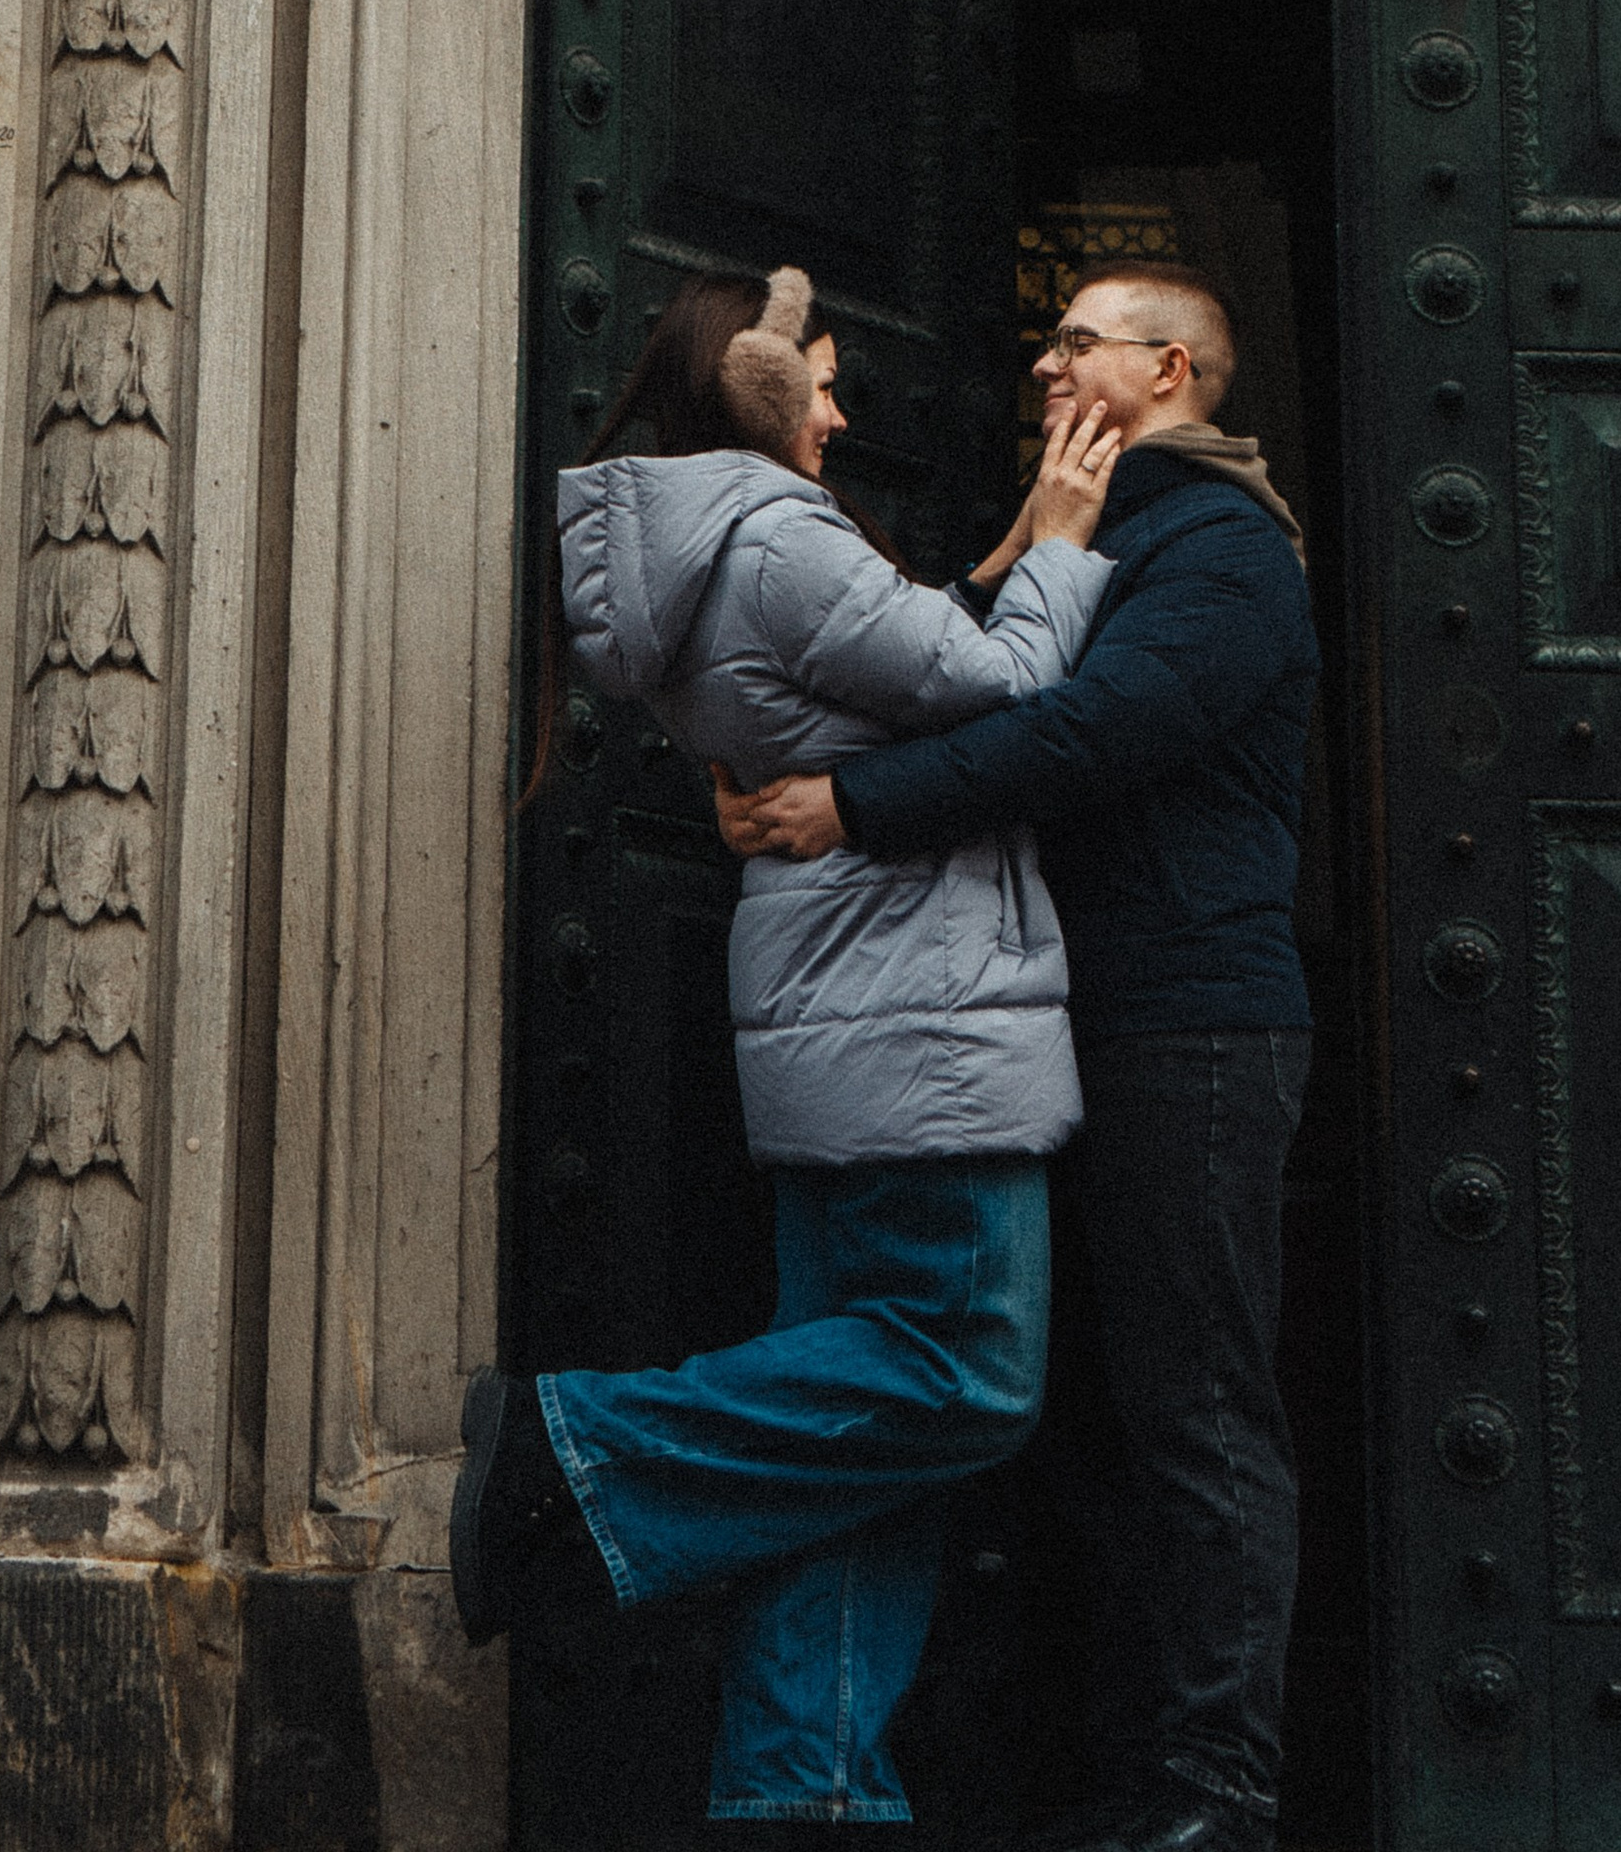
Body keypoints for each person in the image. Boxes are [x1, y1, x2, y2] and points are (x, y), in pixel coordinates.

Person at [452, 261, 1122, 1837]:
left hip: (846, 1016)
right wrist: (1064, 549)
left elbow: (896, 677)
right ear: (752, 389)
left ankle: (799, 1793)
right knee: (967, 1376)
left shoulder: (708, 552)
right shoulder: (778, 535)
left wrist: (1001, 562)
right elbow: (1003, 685)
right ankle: (577, 1451)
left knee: (862, 1449)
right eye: (819, 379)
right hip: (920, 1017)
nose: (838, 410)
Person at [718, 268, 1321, 1852]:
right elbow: (948, 686)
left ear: (1171, 370)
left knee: (1194, 1413)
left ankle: (1215, 1798)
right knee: (1073, 1418)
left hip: (1191, 1027)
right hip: (1059, 1024)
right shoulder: (1084, 533)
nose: (1046, 367)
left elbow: (1086, 733)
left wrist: (849, 809)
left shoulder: (1222, 547)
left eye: (1076, 342)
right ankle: (1111, 1782)